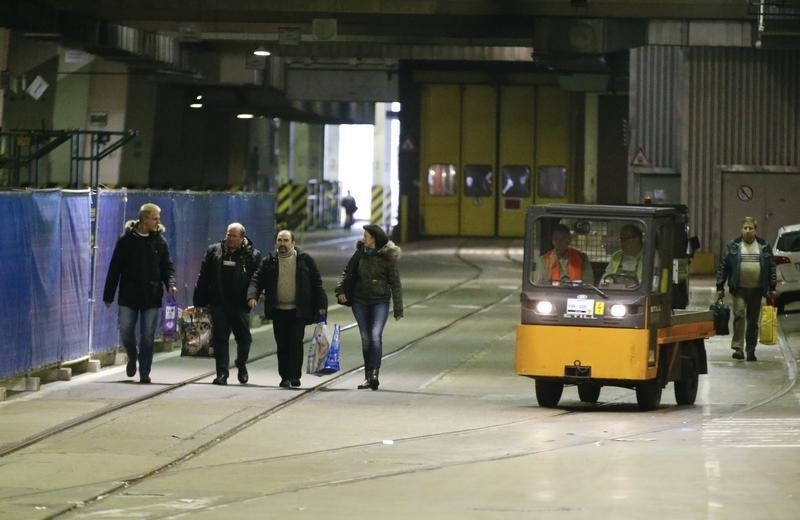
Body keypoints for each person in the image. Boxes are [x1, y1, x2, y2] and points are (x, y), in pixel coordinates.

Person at [103, 203, 177, 384]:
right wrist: (108, 295)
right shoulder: (125, 241)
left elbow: (167, 267)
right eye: (155, 218)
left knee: (147, 335)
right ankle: (132, 355)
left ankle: (144, 371)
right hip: (129, 294)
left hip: (151, 295)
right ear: (144, 219)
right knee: (126, 330)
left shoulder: (160, 241)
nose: (158, 222)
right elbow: (115, 269)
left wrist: (171, 284)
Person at [247, 230, 327, 388]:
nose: (282, 243)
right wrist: (252, 296)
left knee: (295, 343)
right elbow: (257, 279)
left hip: (298, 311)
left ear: (293, 243)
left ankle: (295, 376)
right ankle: (284, 376)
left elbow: (316, 284)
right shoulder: (269, 261)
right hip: (278, 310)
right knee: (282, 345)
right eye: (279, 240)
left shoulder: (305, 260)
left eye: (285, 240)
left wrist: (322, 306)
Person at [335, 224, 403, 390]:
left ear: (373, 238)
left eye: (366, 235)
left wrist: (398, 309)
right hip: (360, 301)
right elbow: (346, 272)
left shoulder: (387, 257)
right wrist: (340, 290)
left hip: (380, 301)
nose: (363, 238)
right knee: (366, 338)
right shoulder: (359, 254)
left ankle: (374, 375)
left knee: (374, 335)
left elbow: (395, 283)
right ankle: (368, 376)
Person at [192, 223, 262, 385]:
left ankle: (241, 363)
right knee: (220, 339)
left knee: (245, 339)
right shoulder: (214, 251)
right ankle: (222, 373)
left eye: (233, 236)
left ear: (242, 238)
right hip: (219, 303)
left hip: (240, 304)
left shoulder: (253, 255)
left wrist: (256, 295)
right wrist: (198, 303)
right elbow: (203, 277)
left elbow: (257, 279)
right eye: (228, 235)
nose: (229, 238)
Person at [716, 216, 777, 361]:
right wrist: (720, 286)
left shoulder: (764, 246)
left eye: (751, 228)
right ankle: (738, 348)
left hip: (757, 290)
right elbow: (724, 266)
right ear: (741, 230)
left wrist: (772, 286)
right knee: (739, 316)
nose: (748, 231)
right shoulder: (734, 246)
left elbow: (771, 267)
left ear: (756, 231)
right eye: (745, 228)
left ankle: (751, 350)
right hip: (739, 289)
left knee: (753, 321)